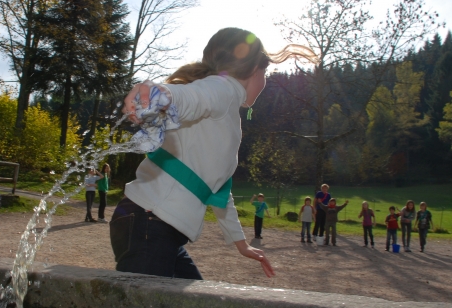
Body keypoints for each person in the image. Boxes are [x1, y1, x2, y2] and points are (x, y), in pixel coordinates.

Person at [111, 28, 313, 279]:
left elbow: (218, 190)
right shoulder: (224, 89)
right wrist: (160, 94)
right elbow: (192, 97)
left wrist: (241, 244)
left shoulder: (224, 112)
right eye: (266, 73)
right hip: (149, 224)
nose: (265, 82)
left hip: (152, 226)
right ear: (253, 70)